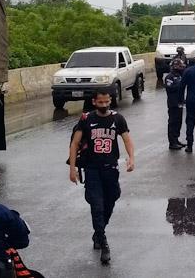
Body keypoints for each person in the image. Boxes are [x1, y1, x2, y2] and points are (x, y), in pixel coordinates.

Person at [68, 90, 135, 265]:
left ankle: (98, 232)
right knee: (97, 206)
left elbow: (127, 139)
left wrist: (131, 158)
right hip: (93, 170)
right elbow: (75, 144)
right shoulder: (86, 120)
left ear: (110, 100)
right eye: (101, 102)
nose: (104, 105)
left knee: (111, 201)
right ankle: (103, 243)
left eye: (107, 102)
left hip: (111, 169)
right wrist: (73, 169)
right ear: (94, 102)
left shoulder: (118, 119)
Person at [164, 58, 187, 150]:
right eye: (179, 66)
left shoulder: (180, 76)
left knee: (179, 122)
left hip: (180, 102)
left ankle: (176, 139)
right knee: (173, 122)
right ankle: (172, 142)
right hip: (173, 103)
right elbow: (170, 88)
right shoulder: (169, 77)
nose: (181, 68)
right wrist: (180, 84)